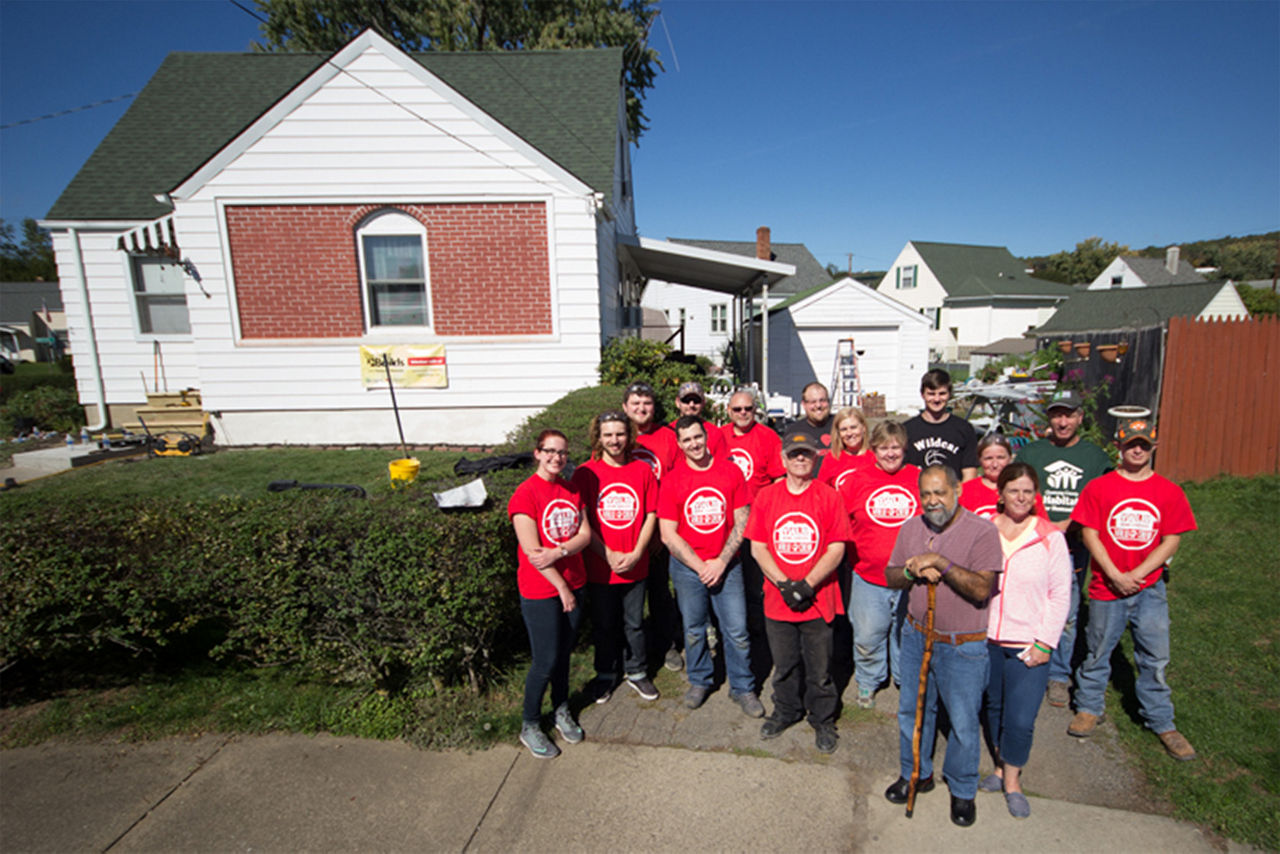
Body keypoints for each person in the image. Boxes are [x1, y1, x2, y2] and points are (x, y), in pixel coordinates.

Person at [1067, 418, 1198, 762]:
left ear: (1153, 447)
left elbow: (1172, 540)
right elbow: (1089, 533)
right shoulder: (1100, 487)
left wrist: (1138, 574)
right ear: (1119, 447)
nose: (1137, 449)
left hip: (1148, 588)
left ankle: (1161, 720)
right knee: (1097, 651)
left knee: (1154, 656)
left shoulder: (1169, 491)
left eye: (1143, 444)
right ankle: (1089, 707)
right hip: (1106, 586)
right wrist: (1113, 572)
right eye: (1130, 444)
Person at [883, 465, 1002, 828]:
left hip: (962, 645)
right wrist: (911, 571)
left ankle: (963, 790)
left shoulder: (982, 532)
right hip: (918, 635)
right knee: (913, 711)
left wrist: (941, 563)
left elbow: (982, 589)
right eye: (926, 494)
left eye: (940, 492)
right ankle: (915, 773)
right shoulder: (910, 528)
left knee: (964, 721)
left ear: (958, 491)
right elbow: (890, 575)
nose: (933, 501)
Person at [747, 431, 852, 753]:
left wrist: (808, 584)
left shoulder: (829, 496)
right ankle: (786, 711)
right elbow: (758, 547)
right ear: (783, 459)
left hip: (819, 598)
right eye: (794, 454)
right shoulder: (767, 496)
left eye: (805, 453)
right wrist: (784, 584)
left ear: (815, 457)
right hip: (779, 599)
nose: (800, 459)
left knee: (820, 669)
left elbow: (836, 547)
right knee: (785, 664)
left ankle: (822, 719)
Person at [980, 462, 1072, 819]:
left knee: (1020, 718)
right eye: (1013, 490)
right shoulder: (985, 529)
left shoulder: (1050, 537)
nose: (1020, 497)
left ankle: (1013, 781)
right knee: (994, 709)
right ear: (1001, 493)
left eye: (1027, 491)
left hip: (1028, 643)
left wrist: (1044, 643)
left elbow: (1060, 595)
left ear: (1036, 497)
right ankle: (1000, 767)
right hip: (987, 638)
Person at [658, 415, 762, 716]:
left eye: (697, 437)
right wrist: (700, 565)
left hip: (727, 566)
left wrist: (720, 561)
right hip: (687, 569)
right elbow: (668, 533)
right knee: (693, 629)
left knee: (737, 630)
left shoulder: (730, 471)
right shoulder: (673, 478)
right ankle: (700, 680)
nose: (694, 444)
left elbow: (742, 520)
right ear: (679, 444)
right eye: (687, 440)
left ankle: (743, 687)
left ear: (706, 436)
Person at [1016, 389, 1112, 708]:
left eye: (1069, 414)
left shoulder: (1095, 458)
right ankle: (1023, 656)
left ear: (1080, 418)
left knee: (1066, 612)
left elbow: (1103, 503)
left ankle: (1058, 674)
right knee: (1027, 601)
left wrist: (1069, 524)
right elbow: (1017, 491)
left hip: (1073, 545)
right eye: (1057, 414)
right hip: (1032, 540)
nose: (1062, 421)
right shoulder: (1032, 453)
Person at [507, 429, 593, 759]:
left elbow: (585, 534)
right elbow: (533, 553)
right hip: (542, 591)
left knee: (563, 657)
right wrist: (561, 587)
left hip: (576, 581)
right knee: (544, 660)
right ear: (537, 453)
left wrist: (558, 552)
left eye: (562, 453)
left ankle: (560, 710)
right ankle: (529, 724)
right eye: (550, 451)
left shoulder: (571, 489)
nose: (557, 458)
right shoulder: (525, 494)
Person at [571, 411, 661, 704]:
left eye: (620, 434)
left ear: (629, 435)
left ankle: (637, 671)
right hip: (601, 565)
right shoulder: (586, 473)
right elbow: (583, 520)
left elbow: (651, 514)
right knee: (605, 624)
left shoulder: (642, 470)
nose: (614, 440)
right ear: (598, 437)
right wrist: (606, 552)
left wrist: (637, 552)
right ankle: (606, 674)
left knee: (634, 623)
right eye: (608, 434)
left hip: (635, 564)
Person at [839, 420, 920, 709]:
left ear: (904, 448)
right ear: (873, 450)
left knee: (905, 633)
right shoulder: (857, 480)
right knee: (868, 633)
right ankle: (868, 681)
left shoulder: (918, 477)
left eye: (896, 447)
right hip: (868, 575)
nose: (890, 454)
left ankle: (904, 678)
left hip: (910, 577)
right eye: (884, 448)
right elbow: (842, 523)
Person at [623, 380, 684, 672]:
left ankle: (668, 645)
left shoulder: (668, 437)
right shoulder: (617, 436)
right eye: (635, 404)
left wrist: (662, 530)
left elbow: (676, 483)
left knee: (661, 592)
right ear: (625, 408)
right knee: (629, 598)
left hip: (662, 529)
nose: (641, 409)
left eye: (646, 403)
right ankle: (631, 651)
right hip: (625, 531)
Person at [904, 369, 978, 482]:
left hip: (952, 496)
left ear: (950, 394)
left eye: (942, 393)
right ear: (922, 394)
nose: (937, 399)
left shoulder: (964, 429)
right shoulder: (907, 429)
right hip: (917, 495)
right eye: (931, 394)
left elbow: (969, 474)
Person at [960, 433, 1046, 520]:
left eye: (1000, 457)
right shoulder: (965, 491)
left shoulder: (1025, 489)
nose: (995, 464)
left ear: (1010, 458)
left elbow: (1043, 527)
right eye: (988, 458)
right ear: (979, 460)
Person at [816, 405, 874, 490]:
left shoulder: (876, 456)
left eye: (853, 427)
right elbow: (821, 492)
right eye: (844, 429)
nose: (849, 433)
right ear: (838, 433)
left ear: (863, 428)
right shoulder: (832, 458)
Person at [669, 380, 728, 460]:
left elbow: (722, 465)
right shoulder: (669, 432)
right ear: (677, 402)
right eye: (686, 400)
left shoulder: (715, 433)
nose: (691, 405)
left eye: (696, 401)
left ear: (703, 403)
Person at [787, 382, 834, 450]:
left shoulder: (841, 426)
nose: (818, 405)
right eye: (813, 402)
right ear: (804, 404)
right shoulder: (794, 432)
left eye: (822, 400)